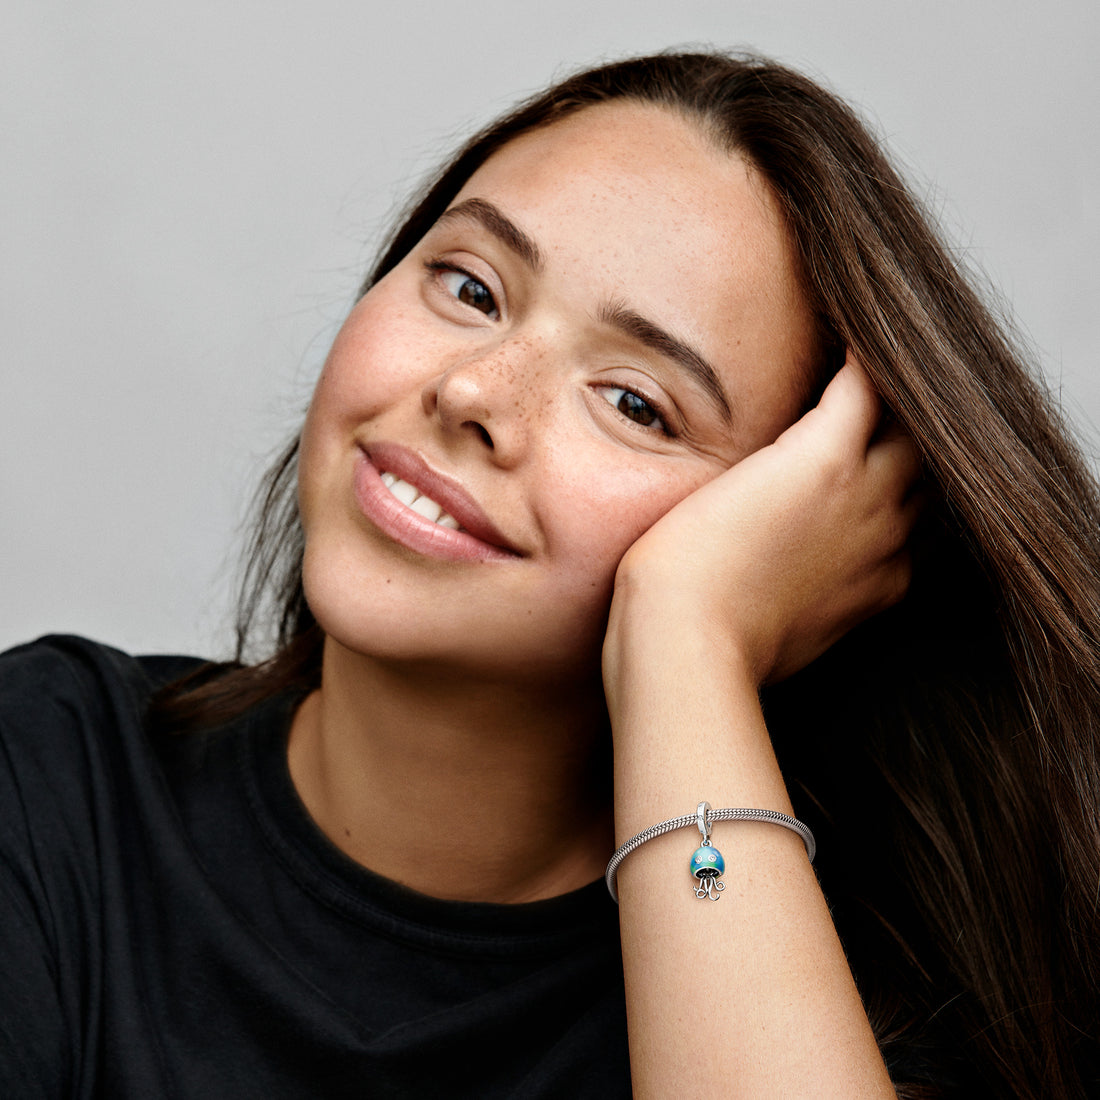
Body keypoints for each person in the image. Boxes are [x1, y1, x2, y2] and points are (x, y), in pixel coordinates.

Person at [2, 50, 1097, 1098]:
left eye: (633, 402)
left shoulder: (847, 1011)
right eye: (470, 287)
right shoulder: (44, 773)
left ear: (792, 532)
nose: (475, 392)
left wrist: (686, 636)